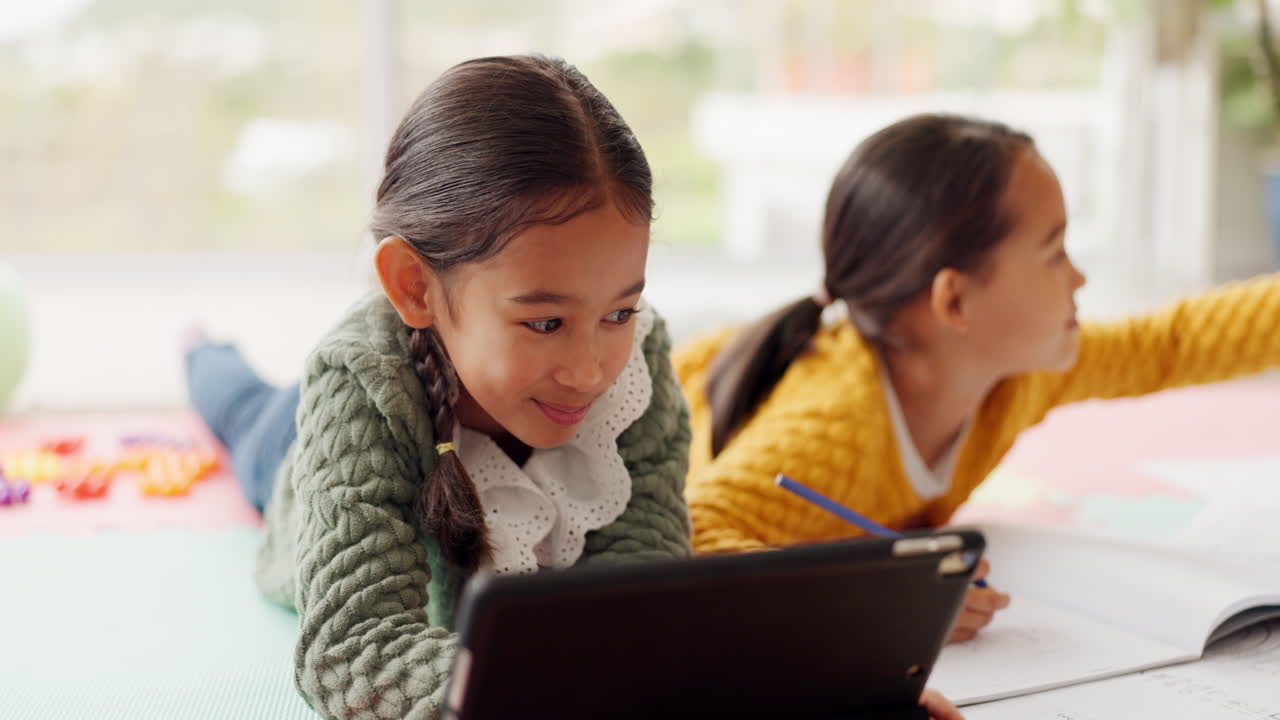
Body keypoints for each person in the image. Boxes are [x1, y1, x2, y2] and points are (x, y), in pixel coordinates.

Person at [185, 57, 963, 720]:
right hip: (302, 449)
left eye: (620, 309)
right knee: (240, 404)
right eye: (546, 323)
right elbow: (353, 650)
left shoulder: (636, 363)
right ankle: (198, 347)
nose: (593, 369)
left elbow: (641, 598)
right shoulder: (358, 386)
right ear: (414, 285)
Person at [674, 113, 1280, 644]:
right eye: (1054, 252)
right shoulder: (835, 420)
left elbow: (1170, 344)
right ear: (955, 301)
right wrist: (877, 604)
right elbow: (691, 531)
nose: (1079, 279)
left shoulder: (1015, 374)